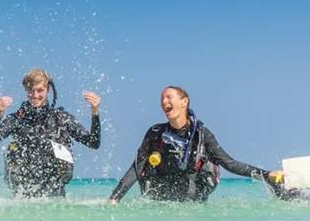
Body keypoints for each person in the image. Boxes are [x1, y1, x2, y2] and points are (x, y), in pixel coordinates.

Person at [108, 86, 292, 203]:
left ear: (184, 102)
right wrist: (114, 199)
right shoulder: (155, 133)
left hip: (191, 195)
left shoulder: (202, 135)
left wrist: (266, 174)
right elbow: (136, 167)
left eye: (169, 97)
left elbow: (229, 163)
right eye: (162, 99)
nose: (164, 102)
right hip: (161, 195)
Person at [0, 69, 102, 198]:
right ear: (26, 91)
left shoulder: (61, 119)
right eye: (31, 90)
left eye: (39, 90)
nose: (35, 95)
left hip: (54, 199)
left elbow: (93, 142)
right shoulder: (17, 120)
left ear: (48, 90)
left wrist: (95, 112)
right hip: (23, 199)